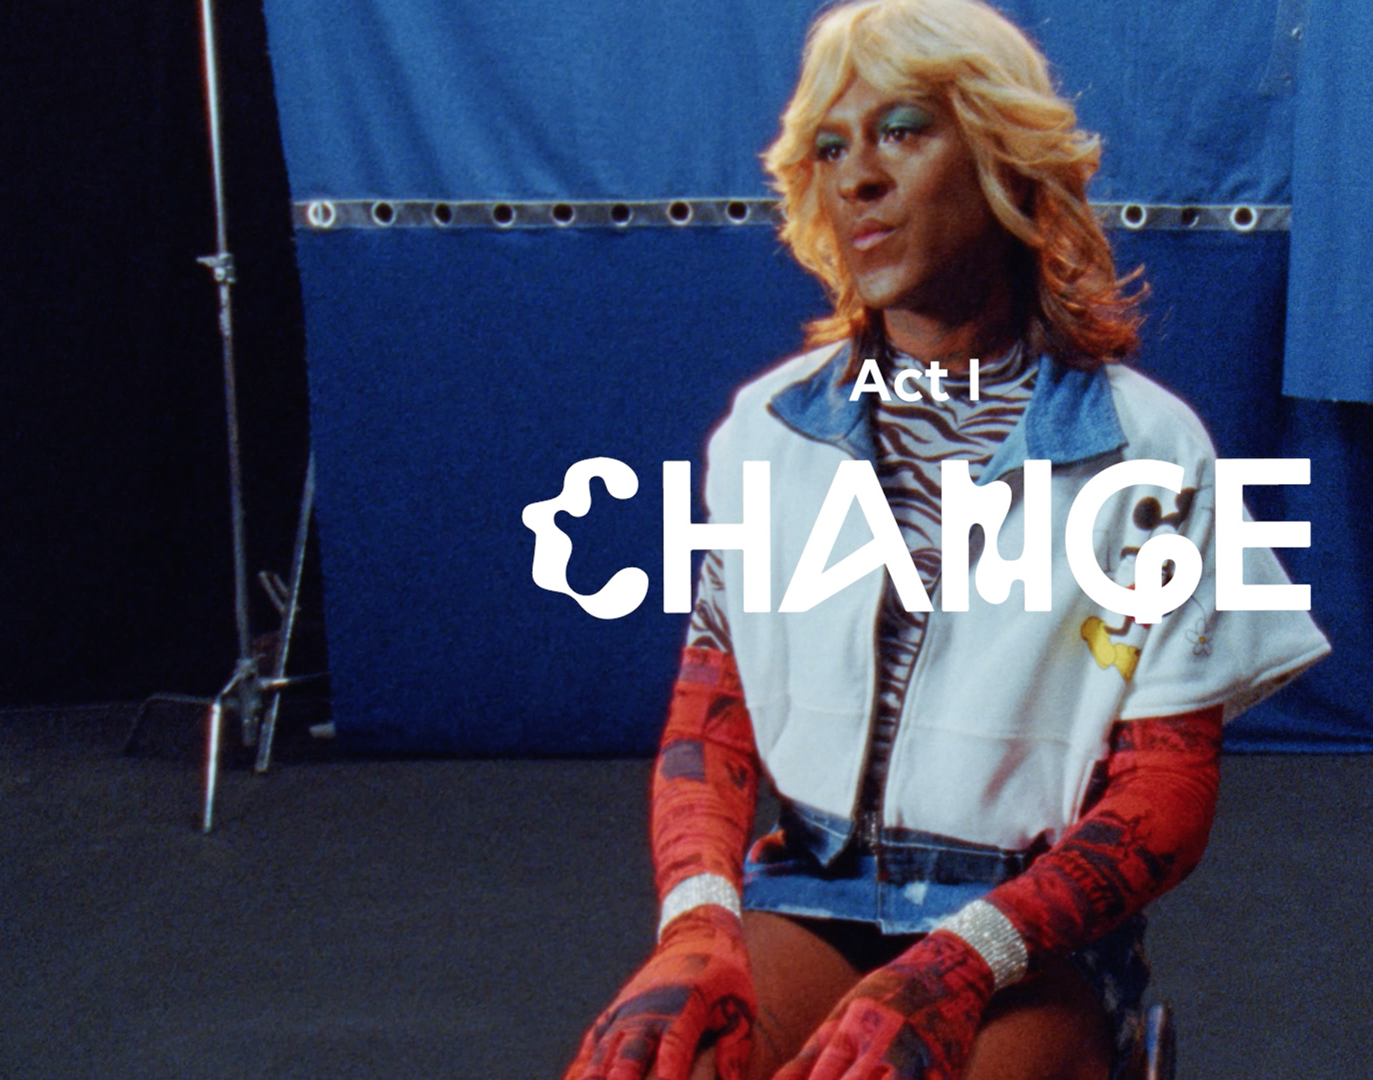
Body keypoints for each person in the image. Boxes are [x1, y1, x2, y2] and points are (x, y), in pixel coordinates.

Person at [563, 2, 1330, 1077]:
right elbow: (710, 720)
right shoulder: (768, 432)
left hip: (1029, 927)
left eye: (902, 130)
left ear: (1004, 159)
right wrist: (696, 925)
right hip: (813, 887)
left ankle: (1112, 1048)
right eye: (832, 148)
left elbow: (1165, 797)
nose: (858, 178)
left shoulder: (1149, 450)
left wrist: (967, 960)